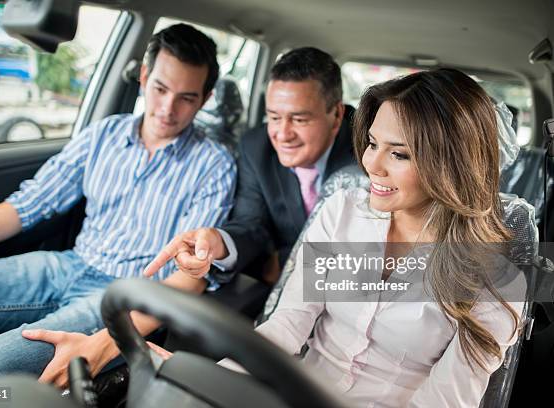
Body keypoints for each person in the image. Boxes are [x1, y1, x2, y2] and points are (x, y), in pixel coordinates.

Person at [150, 68, 526, 406]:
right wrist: (210, 378)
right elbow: (288, 323)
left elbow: (445, 401)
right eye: (373, 143)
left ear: (452, 164)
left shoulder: (497, 281)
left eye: (399, 154)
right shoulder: (341, 212)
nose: (371, 165)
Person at [0, 23, 236, 385]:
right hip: (68, 265)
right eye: (160, 89)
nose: (167, 108)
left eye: (186, 98)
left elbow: (191, 279)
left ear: (204, 99)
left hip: (127, 295)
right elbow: (30, 203)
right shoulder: (103, 135)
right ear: (144, 78)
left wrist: (111, 339)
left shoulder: (214, 164)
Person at [144, 46, 356, 284]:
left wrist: (284, 260)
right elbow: (251, 226)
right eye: (274, 117)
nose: (283, 134)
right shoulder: (256, 148)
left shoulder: (372, 153)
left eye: (299, 119)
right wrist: (218, 243)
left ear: (336, 115)